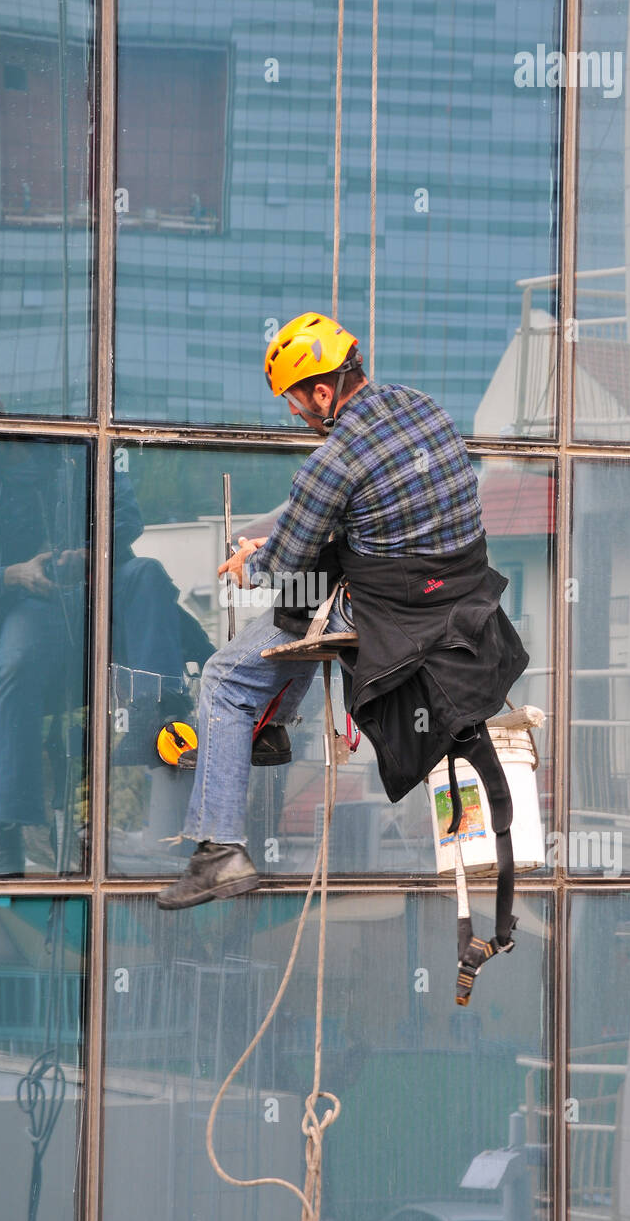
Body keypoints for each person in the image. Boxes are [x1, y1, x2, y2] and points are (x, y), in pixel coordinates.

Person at [158, 311, 527, 909]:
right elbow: (347, 504)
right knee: (311, 590)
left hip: (391, 615)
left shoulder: (333, 460)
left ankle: (219, 850)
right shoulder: (421, 406)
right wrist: (278, 540)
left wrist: (250, 562)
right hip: (458, 597)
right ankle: (273, 728)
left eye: (297, 401)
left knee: (228, 676)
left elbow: (283, 564)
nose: (296, 413)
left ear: (324, 391)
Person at [0, 368, 209, 876]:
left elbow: (127, 515)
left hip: (103, 587)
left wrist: (90, 554)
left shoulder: (69, 450)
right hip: (32, 604)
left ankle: (159, 717)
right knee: (12, 673)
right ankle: (8, 834)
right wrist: (14, 574)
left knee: (146, 573)